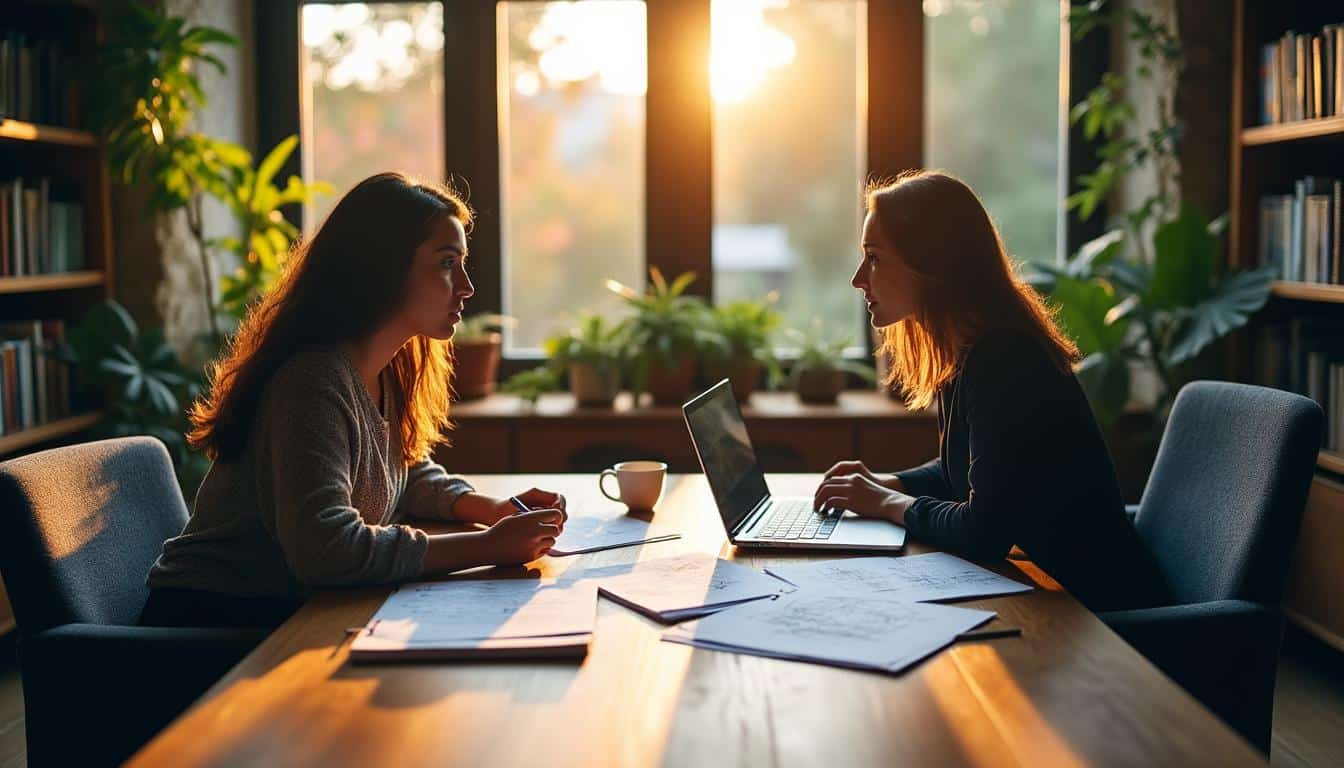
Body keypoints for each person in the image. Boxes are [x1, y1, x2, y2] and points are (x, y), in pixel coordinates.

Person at [141, 172, 566, 628]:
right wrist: (487, 546)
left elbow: (402, 470)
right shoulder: (311, 380)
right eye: (447, 263)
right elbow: (325, 550)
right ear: (384, 269)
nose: (466, 286)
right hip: (210, 627)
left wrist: (492, 510)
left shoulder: (387, 369)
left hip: (290, 612)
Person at [812, 170, 1169, 612]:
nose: (858, 278)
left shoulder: (1006, 359)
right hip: (1056, 596)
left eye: (874, 257)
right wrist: (892, 483)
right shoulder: (971, 348)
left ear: (930, 264)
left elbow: (984, 532)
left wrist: (886, 503)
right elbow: (971, 470)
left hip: (1104, 618)